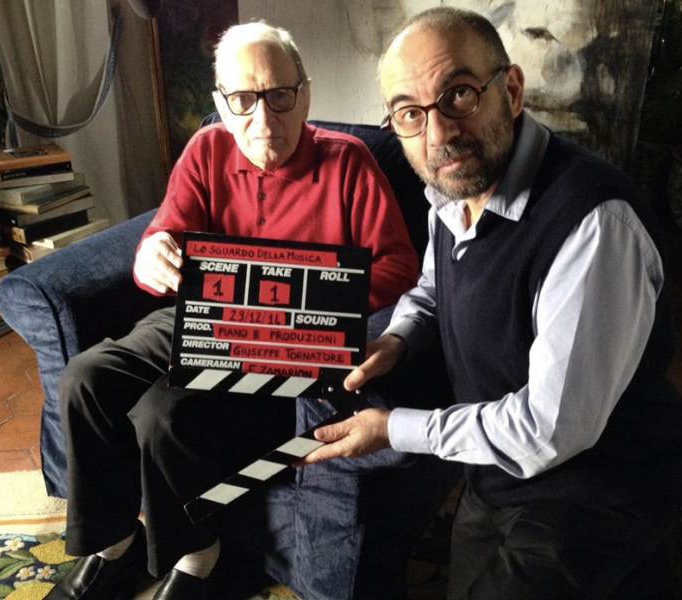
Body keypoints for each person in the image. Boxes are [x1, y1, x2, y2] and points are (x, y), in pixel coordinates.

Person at [300, 7, 682, 599]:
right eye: (410, 113)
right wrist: (397, 337)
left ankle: (670, 540)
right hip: (499, 473)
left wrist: (393, 429)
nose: (438, 134)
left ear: (511, 90)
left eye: (459, 95)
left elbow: (548, 429)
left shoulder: (593, 225)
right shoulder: (450, 191)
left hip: (603, 488)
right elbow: (434, 288)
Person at [45, 21, 421, 600]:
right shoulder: (207, 148)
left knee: (164, 414)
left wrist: (311, 292)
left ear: (305, 95)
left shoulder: (348, 161)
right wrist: (151, 253)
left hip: (291, 335)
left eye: (279, 95)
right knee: (85, 378)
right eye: (243, 100)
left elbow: (399, 266)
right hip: (201, 317)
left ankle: (199, 555)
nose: (263, 119)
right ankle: (114, 543)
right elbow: (165, 233)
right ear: (222, 104)